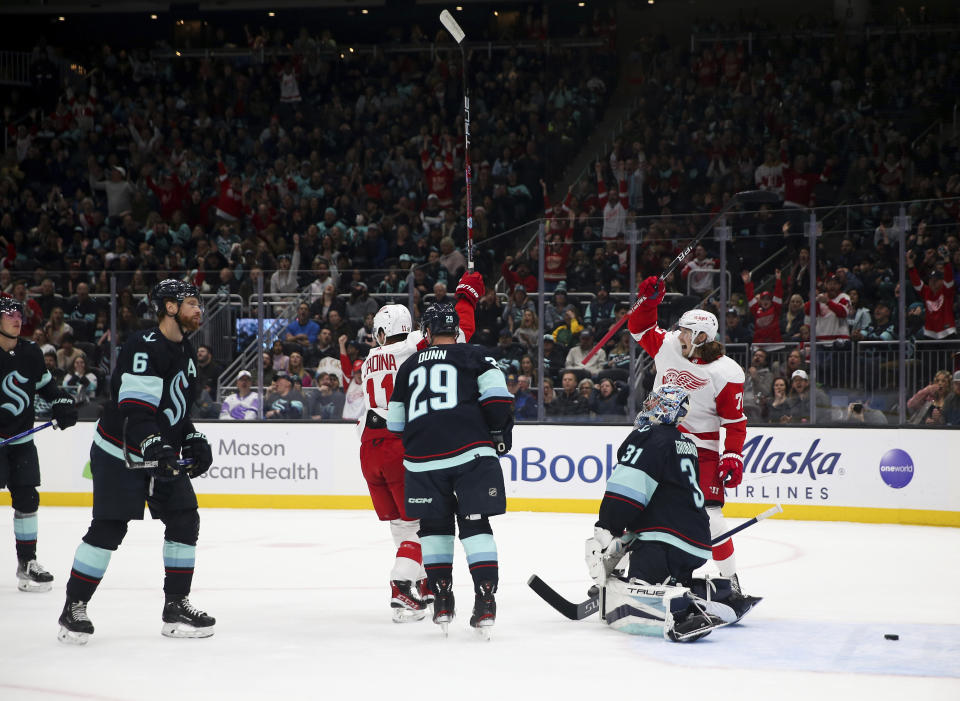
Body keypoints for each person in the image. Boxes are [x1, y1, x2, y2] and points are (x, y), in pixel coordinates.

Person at [58, 280, 215, 644]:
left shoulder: (186, 349)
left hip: (156, 449)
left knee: (184, 517)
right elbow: (135, 408)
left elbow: (171, 410)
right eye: (192, 303)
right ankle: (73, 607)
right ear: (170, 307)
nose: (199, 309)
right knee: (110, 529)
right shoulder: (143, 346)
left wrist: (189, 436)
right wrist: (154, 445)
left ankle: (175, 606)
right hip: (120, 452)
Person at [356, 272, 483, 623]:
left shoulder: (368, 361)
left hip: (368, 448)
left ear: (381, 332)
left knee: (400, 525)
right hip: (400, 444)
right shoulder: (414, 346)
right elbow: (457, 335)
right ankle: (401, 588)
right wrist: (466, 297)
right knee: (421, 526)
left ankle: (423, 582)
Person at [387, 302, 513, 637]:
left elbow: (396, 423)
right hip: (471, 453)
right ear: (456, 330)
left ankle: (442, 600)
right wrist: (497, 432)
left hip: (422, 461)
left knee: (434, 528)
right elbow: (499, 401)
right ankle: (485, 601)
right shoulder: (476, 355)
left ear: (426, 333)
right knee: (475, 524)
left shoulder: (409, 365)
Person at [627, 276, 755, 603]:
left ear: (701, 337)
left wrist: (733, 456)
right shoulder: (669, 345)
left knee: (711, 518)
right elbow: (638, 328)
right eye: (680, 329)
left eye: (686, 331)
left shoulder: (726, 372)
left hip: (702, 452)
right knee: (636, 508)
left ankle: (731, 581)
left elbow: (735, 422)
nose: (679, 335)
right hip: (659, 442)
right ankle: (631, 576)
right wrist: (649, 301)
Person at [585, 385, 734, 642]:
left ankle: (677, 610)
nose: (648, 407)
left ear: (666, 408)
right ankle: (694, 590)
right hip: (695, 542)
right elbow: (666, 496)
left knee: (644, 582)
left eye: (654, 402)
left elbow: (626, 490)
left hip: (662, 542)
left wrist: (608, 527)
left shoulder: (649, 437)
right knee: (672, 579)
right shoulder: (685, 443)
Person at [0, 298, 78, 593]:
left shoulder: (31, 352)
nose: (16, 318)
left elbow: (48, 387)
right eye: (8, 314)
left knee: (28, 500)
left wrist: (62, 403)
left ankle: (27, 563)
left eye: (18, 313)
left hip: (21, 440)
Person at [742, 269, 783, 344]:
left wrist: (778, 280)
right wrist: (747, 283)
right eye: (763, 299)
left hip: (774, 344)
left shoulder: (776, 309)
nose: (765, 301)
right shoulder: (756, 310)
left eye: (768, 299)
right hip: (759, 344)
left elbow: (778, 294)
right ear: (760, 301)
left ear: (771, 301)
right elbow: (750, 297)